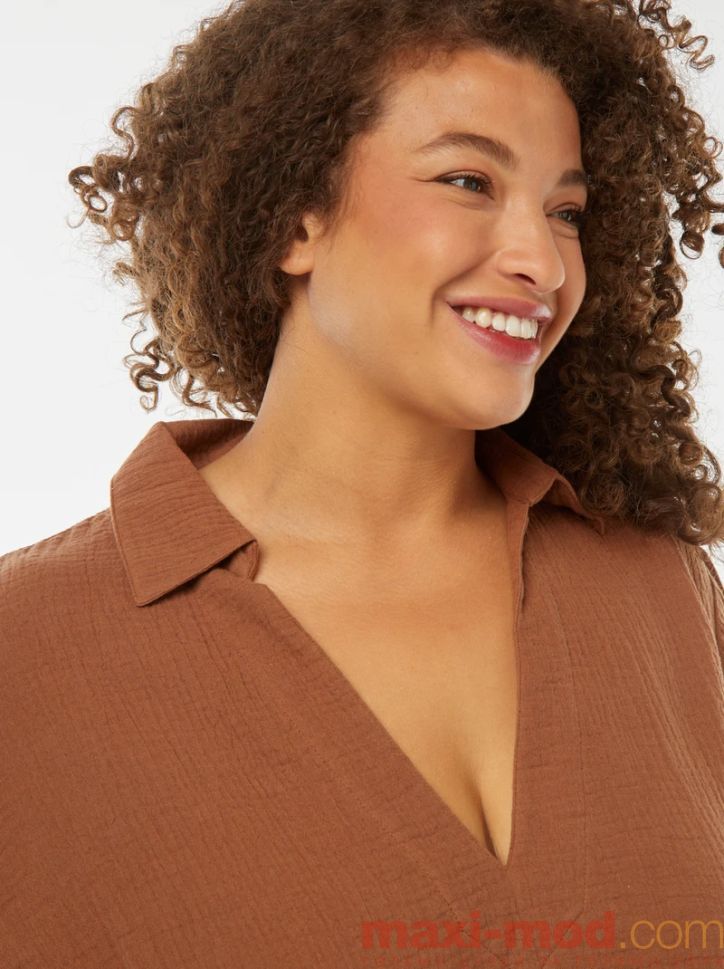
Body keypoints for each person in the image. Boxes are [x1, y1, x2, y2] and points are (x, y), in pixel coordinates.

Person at [2, 0, 724, 966]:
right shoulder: (29, 653)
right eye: (468, 181)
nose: (542, 263)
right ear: (295, 217)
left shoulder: (659, 588)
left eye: (566, 213)